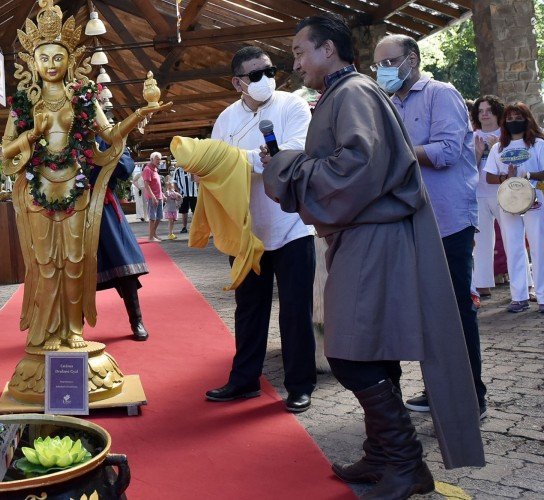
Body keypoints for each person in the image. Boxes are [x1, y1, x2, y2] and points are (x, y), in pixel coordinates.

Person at [264, 14, 484, 498]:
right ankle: (384, 454)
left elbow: (360, 168)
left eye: (301, 51)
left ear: (329, 50)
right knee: (369, 347)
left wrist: (290, 168)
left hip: (373, 236)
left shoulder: (354, 93)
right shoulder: (342, 95)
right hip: (361, 236)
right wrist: (293, 168)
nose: (295, 62)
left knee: (348, 353)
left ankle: (405, 463)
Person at [0, 0, 169, 355]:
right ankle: (48, 331)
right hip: (39, 190)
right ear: (32, 62)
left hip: (78, 190)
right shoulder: (24, 104)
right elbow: (6, 152)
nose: (50, 65)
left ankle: (73, 330)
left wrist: (139, 113)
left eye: (57, 57)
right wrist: (32, 135)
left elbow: (109, 135)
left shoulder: (84, 97)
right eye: (43, 58)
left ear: (71, 62)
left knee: (76, 264)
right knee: (46, 265)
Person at [372, 34, 486, 419]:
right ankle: (440, 387)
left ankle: (471, 395)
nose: (384, 70)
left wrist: (396, 154)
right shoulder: (388, 103)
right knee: (424, 311)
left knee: (455, 309)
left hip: (448, 218)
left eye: (390, 62)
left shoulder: (441, 94)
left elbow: (449, 151)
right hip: (410, 219)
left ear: (412, 60)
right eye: (378, 64)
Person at [205, 45, 317, 413]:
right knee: (248, 309)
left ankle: (300, 385)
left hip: (292, 224)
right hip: (247, 228)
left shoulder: (293, 105)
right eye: (254, 75)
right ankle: (244, 380)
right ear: (238, 82)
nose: (264, 80)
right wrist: (258, 160)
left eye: (269, 71)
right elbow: (216, 167)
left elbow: (297, 152)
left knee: (295, 310)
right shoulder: (226, 119)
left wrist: (245, 161)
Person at [484, 102, 544, 313]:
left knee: (539, 247)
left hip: (535, 200)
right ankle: (519, 296)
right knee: (514, 248)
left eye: (517, 117)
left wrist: (528, 176)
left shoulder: (538, 144)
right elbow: (489, 176)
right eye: (509, 119)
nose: (513, 122)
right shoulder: (498, 148)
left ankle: (543, 296)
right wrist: (505, 177)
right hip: (508, 202)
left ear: (527, 119)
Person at [94, 144, 151, 341]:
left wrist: (106, 153)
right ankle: (74, 327)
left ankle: (136, 320)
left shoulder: (108, 137)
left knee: (124, 264)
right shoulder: (64, 134)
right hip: (73, 210)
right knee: (75, 270)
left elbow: (125, 169)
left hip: (105, 208)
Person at [471, 96, 505, 298]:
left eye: (489, 110)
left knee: (513, 240)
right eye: (481, 110)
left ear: (497, 113)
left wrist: (498, 149)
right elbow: (467, 169)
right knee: (481, 241)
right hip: (478, 194)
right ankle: (482, 283)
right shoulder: (472, 136)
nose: (484, 114)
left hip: (504, 194)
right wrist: (478, 154)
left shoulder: (506, 134)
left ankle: (526, 285)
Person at [142, 152, 164, 241]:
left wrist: (162, 194)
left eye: (160, 159)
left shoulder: (155, 169)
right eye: (157, 159)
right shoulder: (147, 169)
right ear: (151, 159)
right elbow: (146, 185)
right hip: (153, 197)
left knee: (159, 217)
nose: (159, 161)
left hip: (159, 197)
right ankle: (150, 237)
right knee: (152, 217)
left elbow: (157, 184)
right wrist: (153, 197)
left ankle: (153, 234)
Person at [172, 164, 198, 233]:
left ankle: (196, 227)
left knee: (195, 211)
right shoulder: (177, 170)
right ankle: (184, 227)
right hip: (183, 194)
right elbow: (174, 182)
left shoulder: (193, 168)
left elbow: (197, 181)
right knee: (184, 211)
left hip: (194, 193)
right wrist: (178, 192)